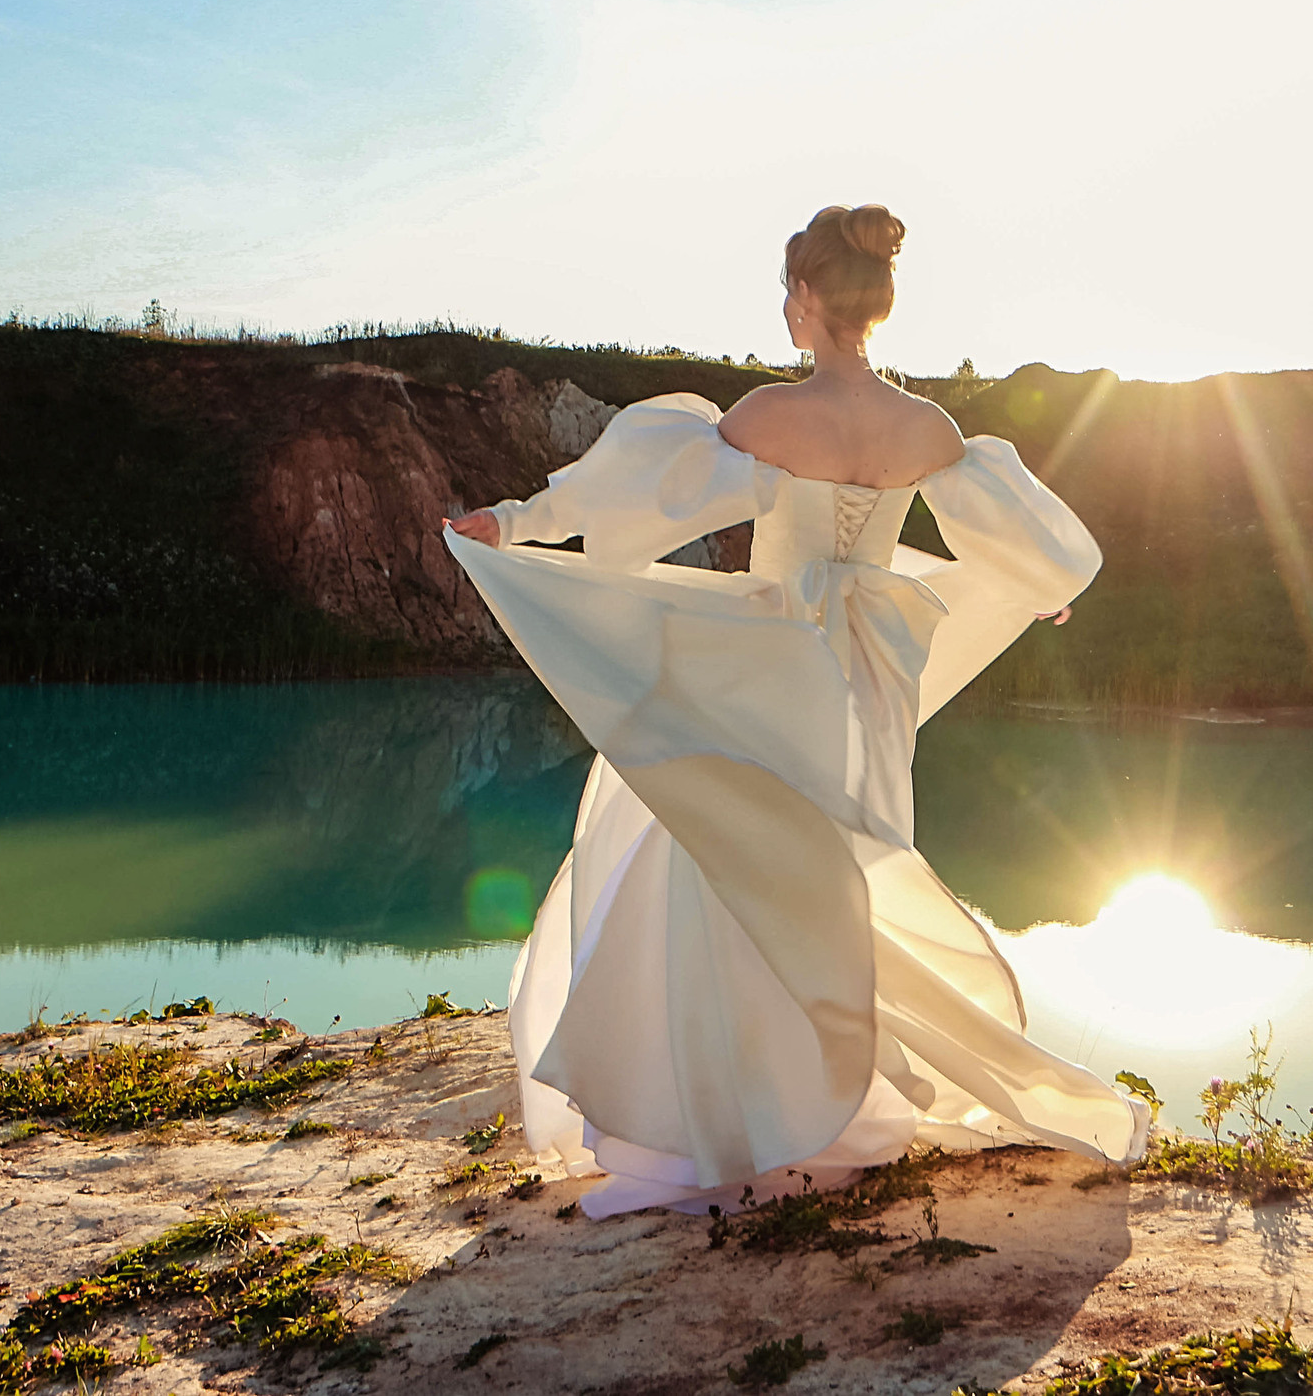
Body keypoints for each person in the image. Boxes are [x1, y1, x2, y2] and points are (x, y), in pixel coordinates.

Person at [442, 203, 1149, 1217]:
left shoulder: (767, 418)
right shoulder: (932, 431)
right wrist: (1032, 586)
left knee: (728, 865)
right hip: (870, 680)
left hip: (771, 667)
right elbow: (1028, 548)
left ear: (812, 300)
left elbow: (633, 498)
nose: (786, 307)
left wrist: (511, 522)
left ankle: (750, 1112)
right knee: (837, 876)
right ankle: (833, 1104)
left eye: (789, 291)